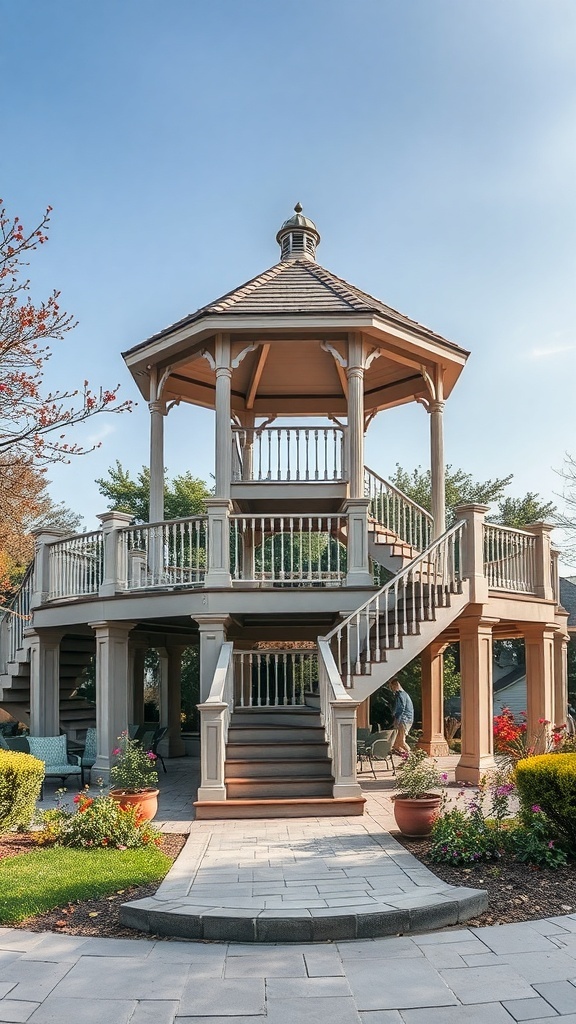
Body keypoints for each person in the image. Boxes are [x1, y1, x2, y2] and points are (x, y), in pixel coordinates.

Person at [388, 678, 414, 754]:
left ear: (395, 685)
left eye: (391, 687)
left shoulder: (401, 695)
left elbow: (400, 708)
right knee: (397, 744)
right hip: (406, 719)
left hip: (403, 720)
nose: (391, 689)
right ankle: (405, 758)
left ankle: (412, 757)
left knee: (401, 741)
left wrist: (396, 720)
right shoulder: (404, 695)